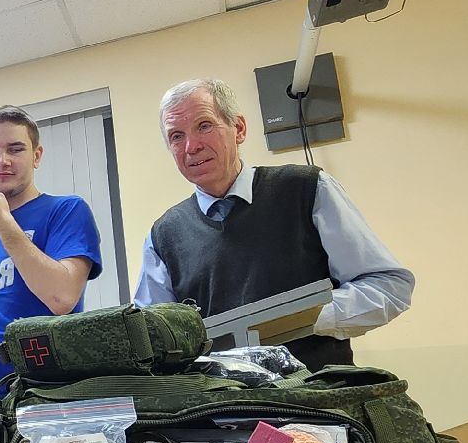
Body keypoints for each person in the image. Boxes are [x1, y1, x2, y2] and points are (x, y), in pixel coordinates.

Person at [134, 78, 413, 369]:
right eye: (176, 136)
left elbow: (389, 286)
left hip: (317, 400)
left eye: (204, 126)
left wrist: (302, 318)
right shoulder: (163, 236)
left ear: (238, 129)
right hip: (224, 409)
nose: (191, 146)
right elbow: (151, 340)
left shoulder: (306, 189)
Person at [0, 105, 101, 443]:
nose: (1, 160)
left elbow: (62, 298)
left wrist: (3, 223)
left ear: (36, 155)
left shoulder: (66, 211)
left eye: (15, 149)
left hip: (40, 398)